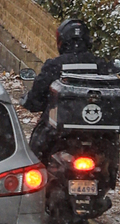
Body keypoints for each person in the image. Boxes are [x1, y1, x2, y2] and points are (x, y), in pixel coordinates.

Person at [24, 17, 93, 156]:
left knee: (35, 155)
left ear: (61, 42)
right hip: (94, 130)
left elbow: (37, 95)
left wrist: (31, 102)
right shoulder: (101, 65)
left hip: (59, 130)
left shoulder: (54, 66)